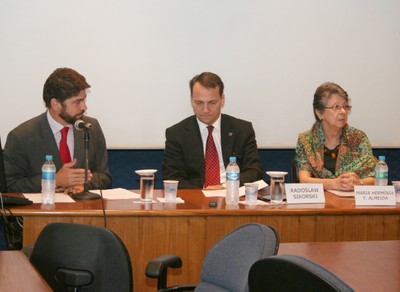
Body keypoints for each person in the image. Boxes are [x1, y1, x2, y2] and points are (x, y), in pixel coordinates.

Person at [3, 67, 112, 194]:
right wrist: (54, 180)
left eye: (84, 100)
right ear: (55, 104)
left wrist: (81, 184)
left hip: (84, 210)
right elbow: (9, 185)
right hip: (42, 211)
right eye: (77, 102)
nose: (84, 107)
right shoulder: (21, 136)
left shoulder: (91, 127)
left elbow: (104, 177)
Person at [163, 72, 263, 189]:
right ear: (191, 100)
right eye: (199, 103)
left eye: (212, 103)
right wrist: (206, 191)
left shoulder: (242, 130)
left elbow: (254, 172)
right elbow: (173, 178)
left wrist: (226, 187)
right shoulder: (176, 134)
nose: (205, 110)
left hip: (232, 195)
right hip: (197, 199)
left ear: (222, 100)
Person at [295, 82, 377, 191]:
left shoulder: (358, 138)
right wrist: (335, 184)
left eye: (345, 107)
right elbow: (304, 180)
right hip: (319, 205)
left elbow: (374, 177)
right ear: (320, 113)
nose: (343, 111)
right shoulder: (306, 140)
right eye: (336, 107)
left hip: (352, 204)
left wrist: (359, 183)